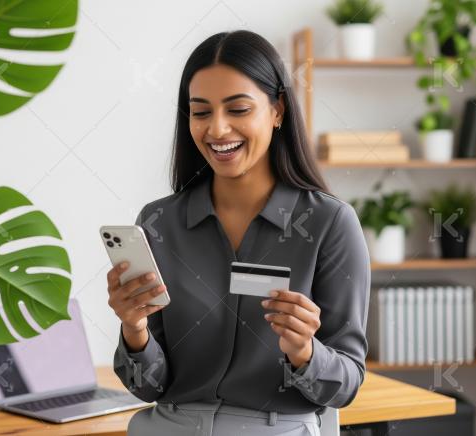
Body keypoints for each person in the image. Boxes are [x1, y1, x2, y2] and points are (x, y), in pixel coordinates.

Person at [107, 30, 370, 436]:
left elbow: (346, 383)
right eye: (200, 112)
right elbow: (148, 387)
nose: (217, 129)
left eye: (238, 109)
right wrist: (134, 331)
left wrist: (305, 353)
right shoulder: (160, 222)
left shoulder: (330, 224)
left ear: (277, 109)